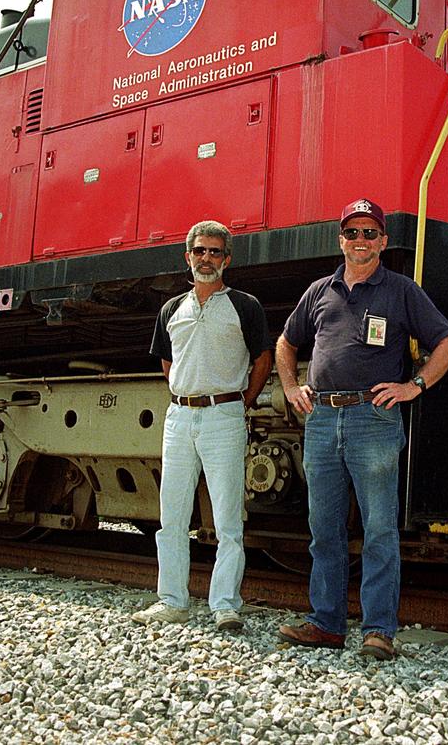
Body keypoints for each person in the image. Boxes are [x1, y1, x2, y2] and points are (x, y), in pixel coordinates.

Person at [274, 198, 448, 660]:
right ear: (341, 239)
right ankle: (326, 624)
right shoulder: (319, 291)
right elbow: (285, 342)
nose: (361, 241)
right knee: (324, 528)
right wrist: (291, 385)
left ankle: (379, 629)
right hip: (321, 418)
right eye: (352, 233)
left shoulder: (400, 290)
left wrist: (413, 385)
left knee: (379, 529)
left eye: (369, 233)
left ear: (382, 240)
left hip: (371, 419)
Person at [133, 220, 272, 631]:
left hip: (223, 415)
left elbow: (262, 358)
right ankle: (172, 600)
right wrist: (184, 392)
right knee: (172, 515)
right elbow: (167, 361)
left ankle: (225, 604)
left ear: (226, 259)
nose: (206, 258)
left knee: (228, 517)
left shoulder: (245, 306)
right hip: (179, 417)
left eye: (214, 252)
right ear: (188, 257)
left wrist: (239, 401)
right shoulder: (171, 309)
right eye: (199, 251)